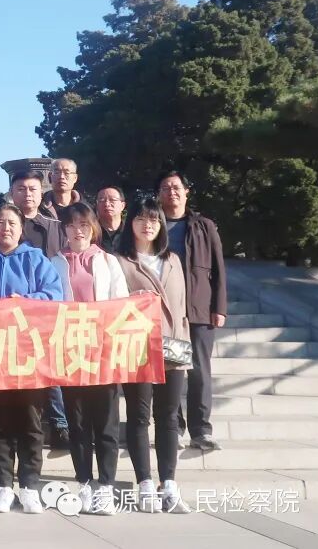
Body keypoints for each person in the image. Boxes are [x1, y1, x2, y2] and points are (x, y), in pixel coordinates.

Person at [0, 203, 63, 515]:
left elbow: (54, 296)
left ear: (21, 229)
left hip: (29, 355)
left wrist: (26, 301)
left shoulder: (36, 259)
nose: (5, 227)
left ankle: (30, 485)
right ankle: (3, 485)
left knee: (31, 422)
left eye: (11, 223)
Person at [49, 203, 128, 516]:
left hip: (103, 353)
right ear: (64, 230)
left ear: (93, 227)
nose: (77, 230)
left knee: (106, 423)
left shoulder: (107, 261)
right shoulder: (55, 262)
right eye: (71, 225)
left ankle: (106, 486)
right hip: (71, 352)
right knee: (78, 422)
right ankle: (84, 483)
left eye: (83, 224)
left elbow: (121, 304)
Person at [116, 196, 192, 514]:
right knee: (138, 416)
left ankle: (169, 483)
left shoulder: (173, 259)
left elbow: (182, 306)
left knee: (169, 416)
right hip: (136, 347)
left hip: (173, 346)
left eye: (154, 219)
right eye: (141, 218)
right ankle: (145, 482)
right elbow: (111, 303)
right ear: (130, 222)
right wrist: (133, 298)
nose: (148, 225)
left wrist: (184, 342)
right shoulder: (120, 261)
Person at [157, 170, 227, 452]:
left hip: (199, 310)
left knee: (199, 370)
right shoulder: (154, 224)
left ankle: (201, 430)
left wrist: (219, 307)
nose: (171, 192)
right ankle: (174, 427)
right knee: (173, 370)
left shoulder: (203, 226)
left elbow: (219, 268)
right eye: (165, 188)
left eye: (176, 187)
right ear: (159, 194)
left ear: (186, 191)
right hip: (169, 312)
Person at [8, 169, 69, 448]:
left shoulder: (55, 226)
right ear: (12, 192)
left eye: (32, 189)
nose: (27, 194)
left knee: (49, 365)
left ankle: (59, 423)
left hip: (46, 308)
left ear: (41, 192)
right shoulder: (2, 222)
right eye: (21, 189)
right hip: (11, 313)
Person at [95, 186, 128, 253]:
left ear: (122, 205)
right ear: (97, 205)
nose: (107, 204)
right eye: (102, 200)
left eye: (112, 200)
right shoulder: (92, 231)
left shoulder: (131, 231)